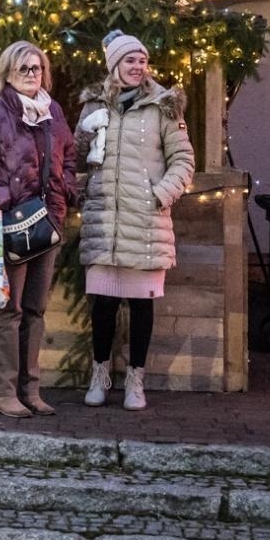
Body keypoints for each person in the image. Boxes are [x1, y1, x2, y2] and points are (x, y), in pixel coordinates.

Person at [75, 30, 196, 412]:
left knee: (142, 306)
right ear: (114, 64)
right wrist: (83, 132)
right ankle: (100, 375)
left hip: (145, 223)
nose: (137, 67)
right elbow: (76, 156)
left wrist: (159, 194)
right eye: (130, 60)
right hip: (105, 221)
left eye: (142, 60)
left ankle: (135, 382)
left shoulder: (163, 106)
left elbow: (184, 161)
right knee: (104, 306)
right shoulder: (95, 104)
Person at [0, 40, 77, 419]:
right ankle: (4, 392)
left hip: (48, 222)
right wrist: (7, 197)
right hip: (11, 223)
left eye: (37, 68)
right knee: (7, 310)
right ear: (7, 73)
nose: (31, 74)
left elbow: (69, 155)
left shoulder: (52, 112)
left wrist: (66, 189)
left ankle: (31, 389)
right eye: (24, 68)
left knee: (35, 310)